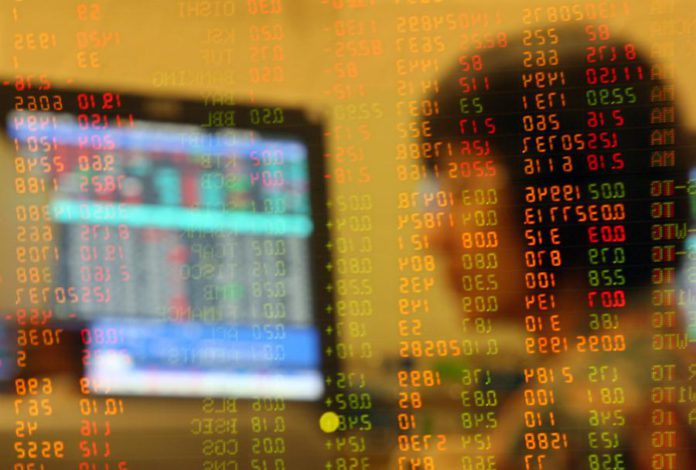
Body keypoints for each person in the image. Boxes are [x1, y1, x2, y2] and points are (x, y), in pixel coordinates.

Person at [417, 24, 696, 468]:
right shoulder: (667, 364)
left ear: (559, 197)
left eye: (462, 189)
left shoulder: (573, 412)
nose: (434, 236)